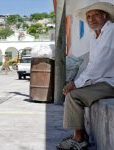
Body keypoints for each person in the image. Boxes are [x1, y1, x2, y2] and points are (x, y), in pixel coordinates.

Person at [57, 1, 114, 150]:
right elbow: (91, 65)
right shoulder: (94, 36)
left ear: (104, 16)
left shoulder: (111, 31)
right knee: (72, 92)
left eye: (95, 15)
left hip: (111, 82)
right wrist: (78, 81)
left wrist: (77, 83)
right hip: (103, 80)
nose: (91, 19)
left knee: (74, 95)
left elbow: (101, 64)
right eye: (88, 16)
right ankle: (78, 134)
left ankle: (79, 138)